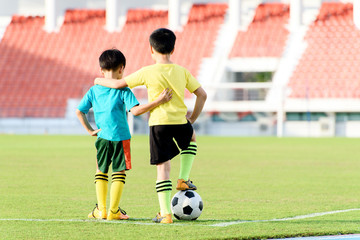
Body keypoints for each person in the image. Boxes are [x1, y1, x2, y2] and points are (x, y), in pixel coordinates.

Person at [94, 28, 207, 224]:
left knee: (163, 168)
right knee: (191, 138)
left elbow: (118, 84)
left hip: (159, 124)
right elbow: (202, 95)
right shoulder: (182, 71)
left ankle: (165, 214)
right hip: (180, 122)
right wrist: (193, 119)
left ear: (151, 49)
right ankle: (183, 178)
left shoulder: (148, 71)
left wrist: (98, 79)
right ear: (173, 48)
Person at [76, 48, 172, 221]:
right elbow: (135, 111)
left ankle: (101, 210)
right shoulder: (123, 90)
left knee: (101, 170)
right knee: (119, 173)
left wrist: (90, 130)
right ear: (122, 69)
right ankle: (113, 212)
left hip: (102, 137)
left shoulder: (93, 90)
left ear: (101, 70)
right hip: (121, 137)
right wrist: (158, 101)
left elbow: (79, 111)